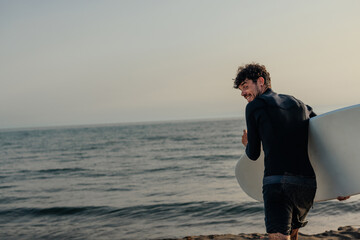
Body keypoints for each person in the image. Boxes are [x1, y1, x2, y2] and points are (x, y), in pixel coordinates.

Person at [233, 63, 349, 240]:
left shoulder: (254, 106)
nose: (243, 93)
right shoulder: (300, 104)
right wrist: (340, 184)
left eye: (246, 86)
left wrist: (247, 144)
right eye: (241, 89)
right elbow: (322, 140)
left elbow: (254, 153)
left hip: (277, 183)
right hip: (306, 186)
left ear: (261, 81)